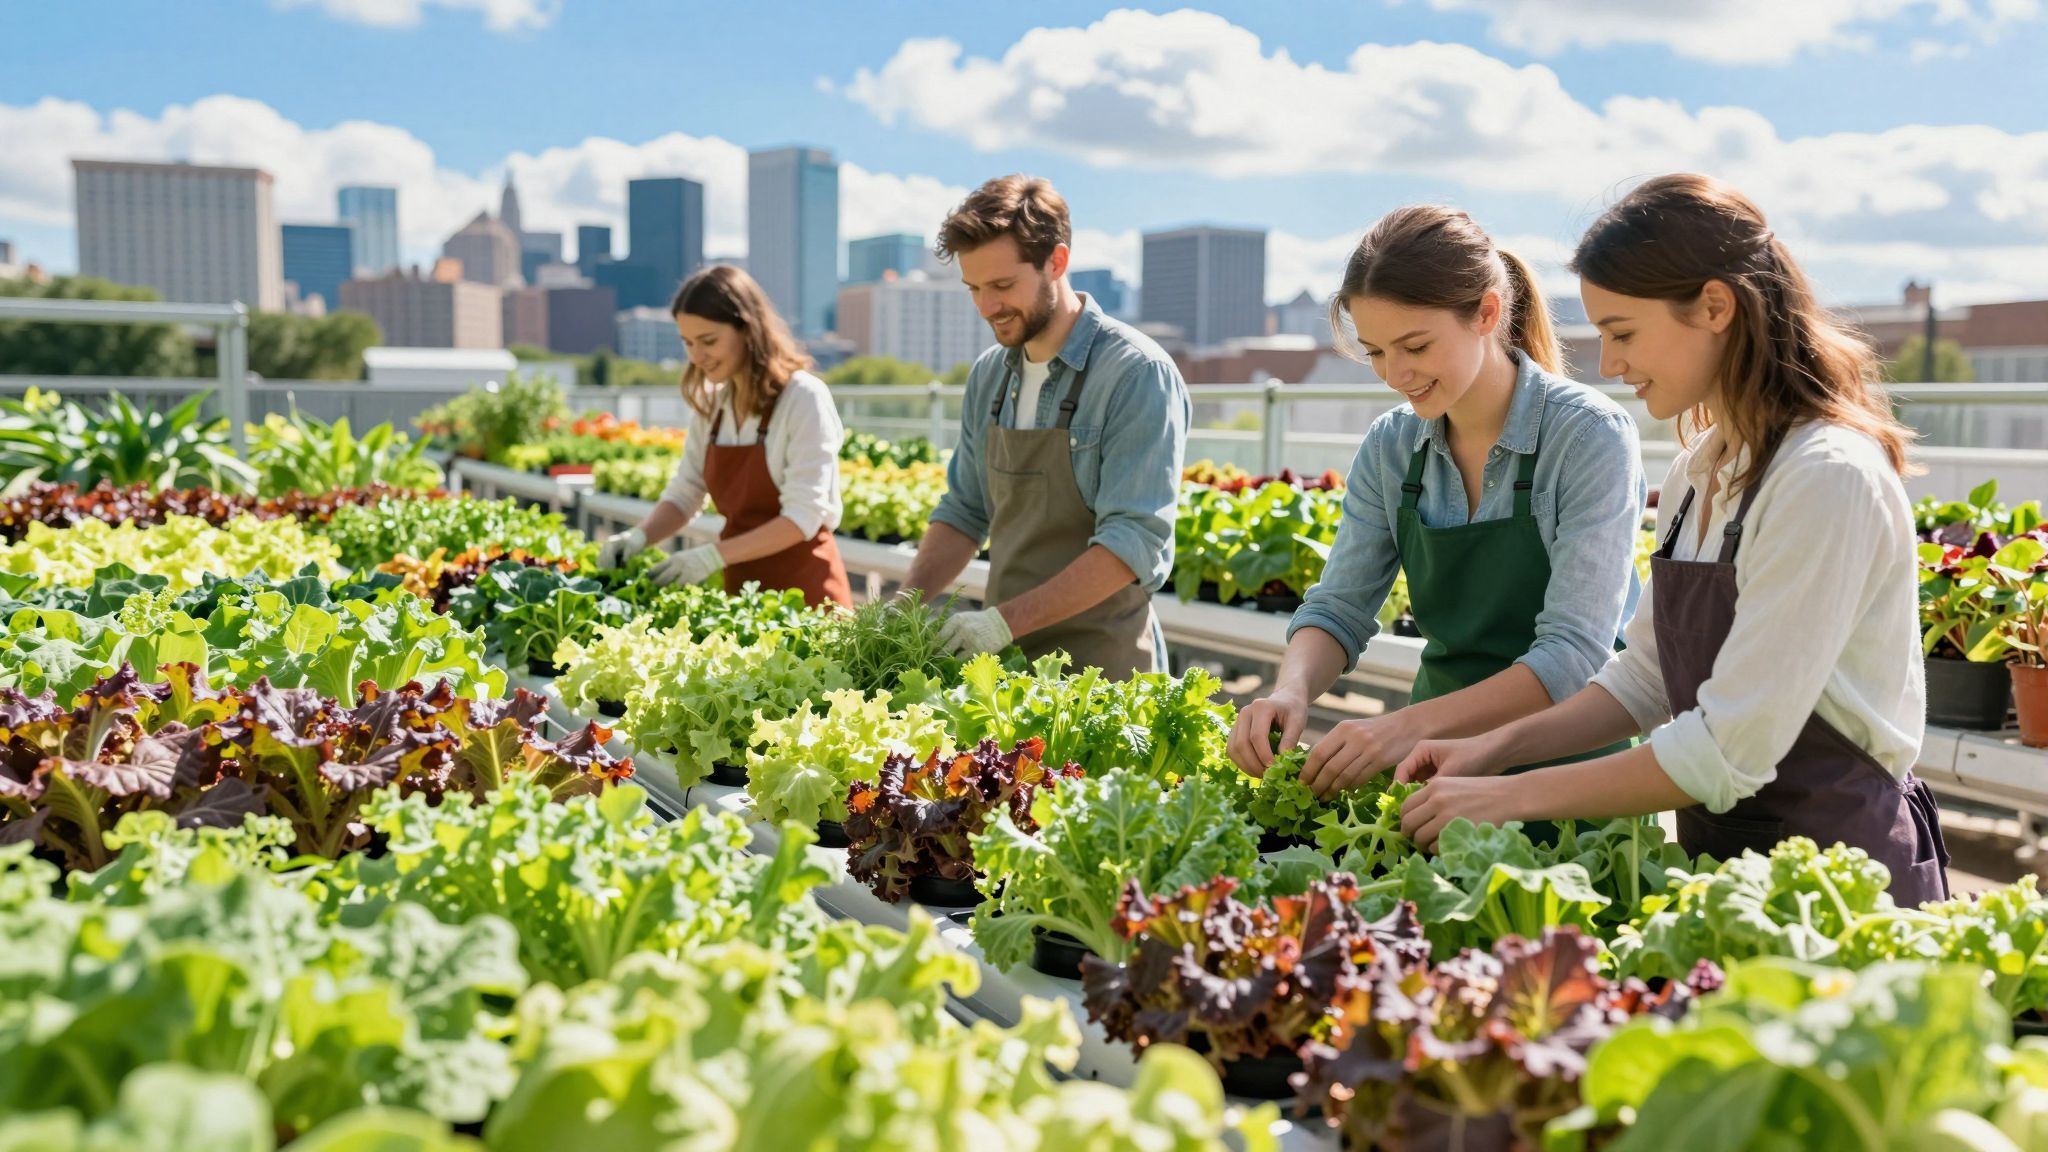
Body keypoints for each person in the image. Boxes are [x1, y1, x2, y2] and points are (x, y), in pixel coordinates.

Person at [1395, 174, 1949, 906]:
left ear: (1715, 306)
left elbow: (1726, 750)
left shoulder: (1826, 476)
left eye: (1622, 332)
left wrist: (1508, 797)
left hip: (1843, 884)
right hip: (1727, 880)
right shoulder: (1700, 467)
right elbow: (1645, 679)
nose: (1610, 364)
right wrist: (1492, 750)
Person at [1226, 206, 1646, 819]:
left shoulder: (1588, 436)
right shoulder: (1392, 445)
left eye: (1415, 346)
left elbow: (1574, 653)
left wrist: (1401, 728)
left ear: (1486, 313)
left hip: (1570, 776)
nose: (1396, 375)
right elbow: (1340, 605)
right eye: (1374, 351)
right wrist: (1290, 690)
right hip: (1429, 773)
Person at [902, 175, 1189, 678]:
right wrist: (905, 605)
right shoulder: (990, 374)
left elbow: (1132, 542)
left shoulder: (1136, 373)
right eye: (974, 289)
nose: (987, 308)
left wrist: (998, 625)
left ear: (1056, 262)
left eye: (1002, 286)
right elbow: (965, 510)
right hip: (1002, 664)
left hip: (1102, 669)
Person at [595, 265, 852, 608]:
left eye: (708, 341)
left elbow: (802, 518)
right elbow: (686, 493)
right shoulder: (715, 406)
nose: (696, 357)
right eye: (687, 343)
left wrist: (709, 557)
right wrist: (639, 536)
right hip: (741, 593)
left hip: (807, 595)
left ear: (748, 329)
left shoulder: (803, 397)